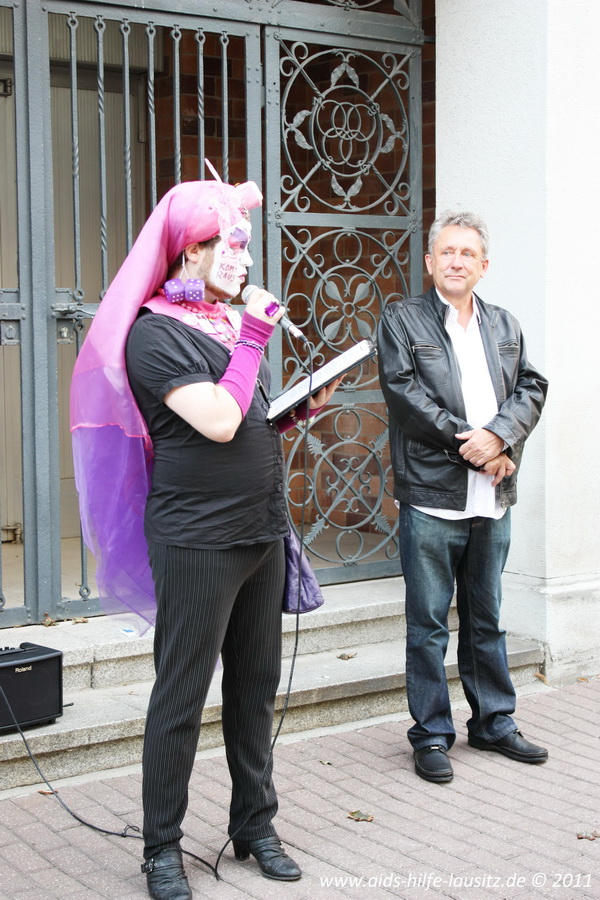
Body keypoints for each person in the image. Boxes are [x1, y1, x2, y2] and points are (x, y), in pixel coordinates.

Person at [70, 176, 339, 899]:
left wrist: (293, 411)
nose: (245, 260)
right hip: (196, 540)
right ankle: (162, 848)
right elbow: (217, 420)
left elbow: (243, 412)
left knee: (254, 690)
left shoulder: (220, 324)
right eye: (231, 246)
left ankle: (255, 826)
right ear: (190, 251)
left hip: (259, 533)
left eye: (245, 248)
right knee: (182, 696)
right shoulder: (154, 333)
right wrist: (255, 333)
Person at [377, 210, 549, 784]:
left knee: (487, 618)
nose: (456, 261)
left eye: (467, 253)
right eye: (446, 252)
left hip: (491, 500)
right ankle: (431, 733)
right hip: (432, 499)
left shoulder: (504, 324)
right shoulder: (402, 319)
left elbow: (531, 388)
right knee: (428, 624)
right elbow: (405, 397)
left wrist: (501, 440)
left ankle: (494, 722)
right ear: (430, 262)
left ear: (483, 265)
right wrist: (476, 447)